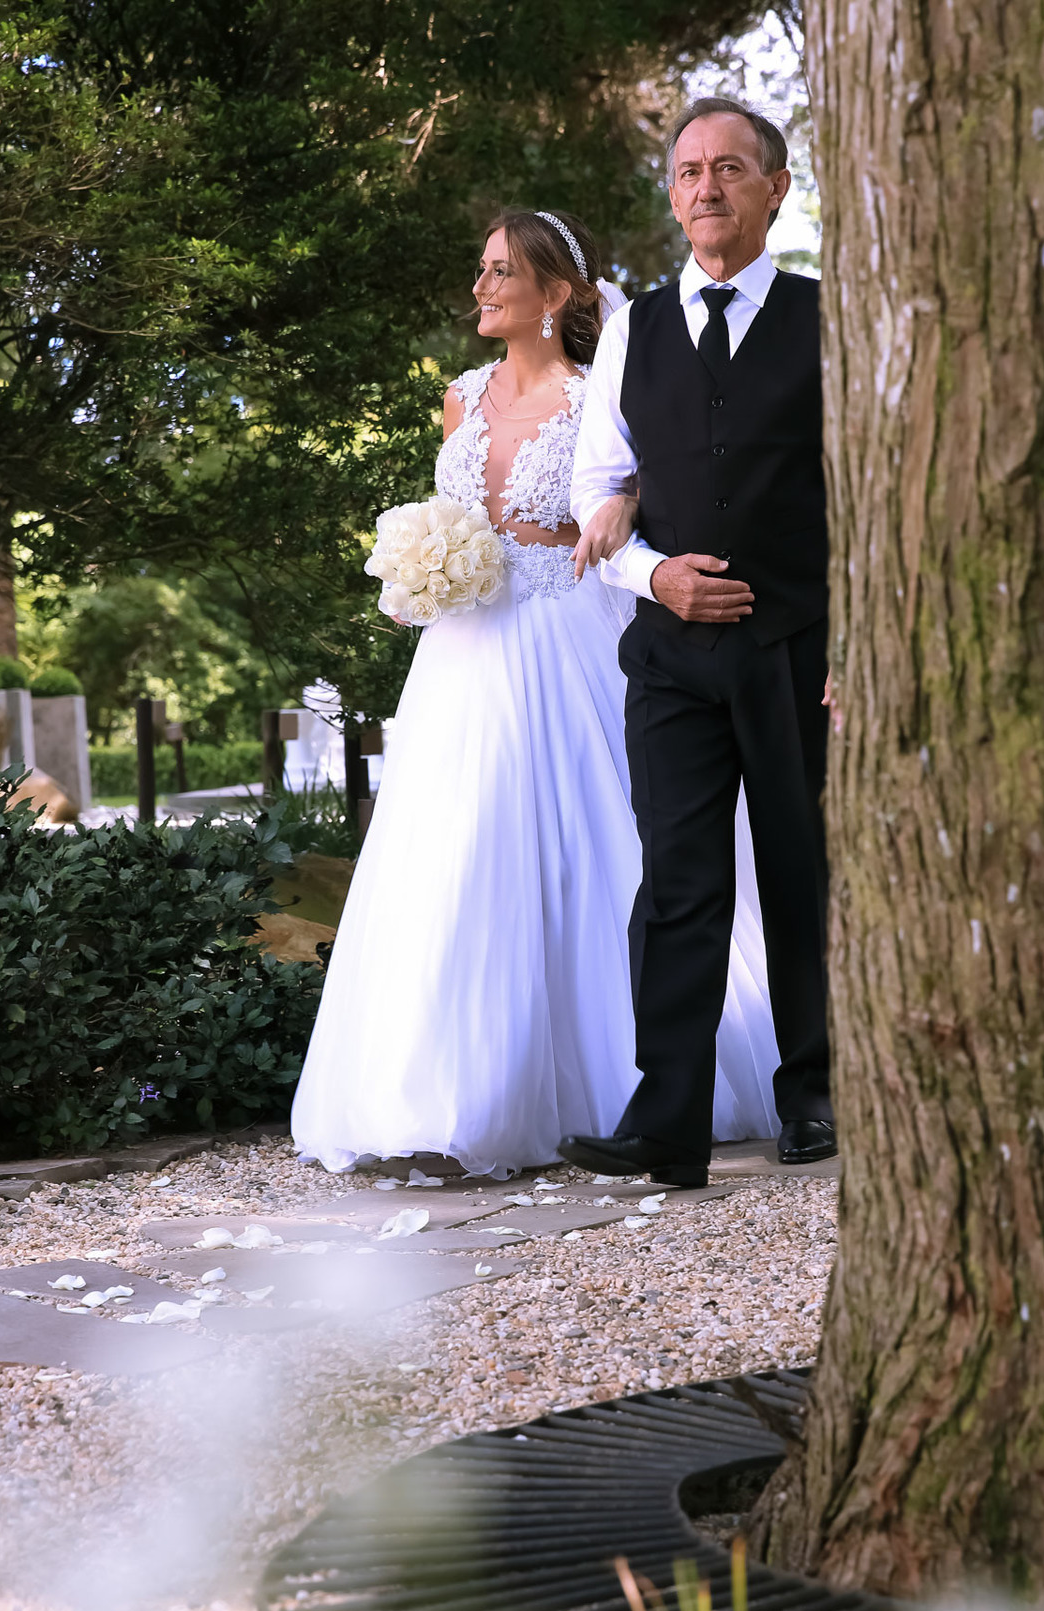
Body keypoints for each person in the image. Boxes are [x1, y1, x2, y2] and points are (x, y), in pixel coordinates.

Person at [291, 207, 780, 1177]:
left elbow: (628, 495)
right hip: (462, 648)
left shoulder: (600, 394)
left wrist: (619, 512)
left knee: (585, 850)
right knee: (451, 853)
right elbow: (454, 513)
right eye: (481, 270)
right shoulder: (460, 396)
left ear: (555, 293)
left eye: (501, 272)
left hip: (564, 634)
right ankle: (436, 1097)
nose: (481, 288)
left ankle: (621, 1084)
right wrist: (418, 571)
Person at [561, 97, 837, 1187]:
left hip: (799, 646)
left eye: (729, 167)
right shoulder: (633, 329)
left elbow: (865, 492)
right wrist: (655, 576)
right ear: (672, 196)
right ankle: (667, 1121)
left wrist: (859, 645)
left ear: (776, 187)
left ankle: (814, 1096)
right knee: (677, 882)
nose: (706, 187)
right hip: (670, 655)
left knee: (803, 872)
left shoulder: (830, 316)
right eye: (688, 171)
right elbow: (595, 486)